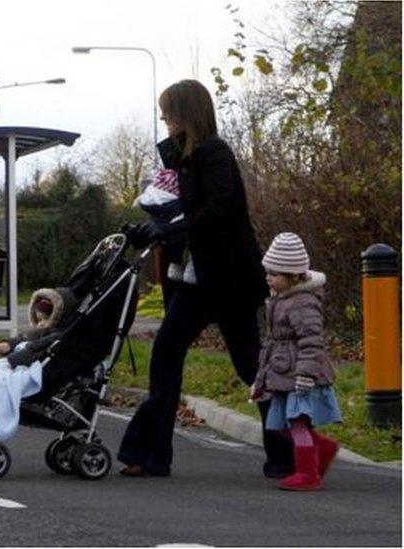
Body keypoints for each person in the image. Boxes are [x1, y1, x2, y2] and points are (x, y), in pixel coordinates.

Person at [118, 79, 294, 477]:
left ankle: (289, 451)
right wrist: (154, 225)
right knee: (166, 355)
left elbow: (218, 209)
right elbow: (175, 205)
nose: (162, 119)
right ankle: (150, 454)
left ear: (185, 114)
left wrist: (174, 228)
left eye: (167, 112)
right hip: (197, 280)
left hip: (227, 280)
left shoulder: (215, 155)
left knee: (250, 366)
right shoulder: (181, 159)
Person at [250, 232, 342, 491]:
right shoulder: (281, 300)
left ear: (294, 276)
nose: (269, 278)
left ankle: (307, 473)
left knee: (296, 423)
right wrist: (261, 379)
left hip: (301, 376)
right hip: (282, 373)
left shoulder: (303, 304)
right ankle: (322, 449)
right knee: (282, 425)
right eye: (268, 272)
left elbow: (312, 341)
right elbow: (271, 344)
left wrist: (306, 374)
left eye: (275, 274)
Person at [0, 289, 76, 441]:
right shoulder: (37, 331)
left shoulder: (58, 336)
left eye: (44, 319)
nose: (40, 322)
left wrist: (17, 355)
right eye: (38, 319)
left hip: (32, 369)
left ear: (56, 317)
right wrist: (7, 344)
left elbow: (35, 348)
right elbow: (22, 339)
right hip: (19, 362)